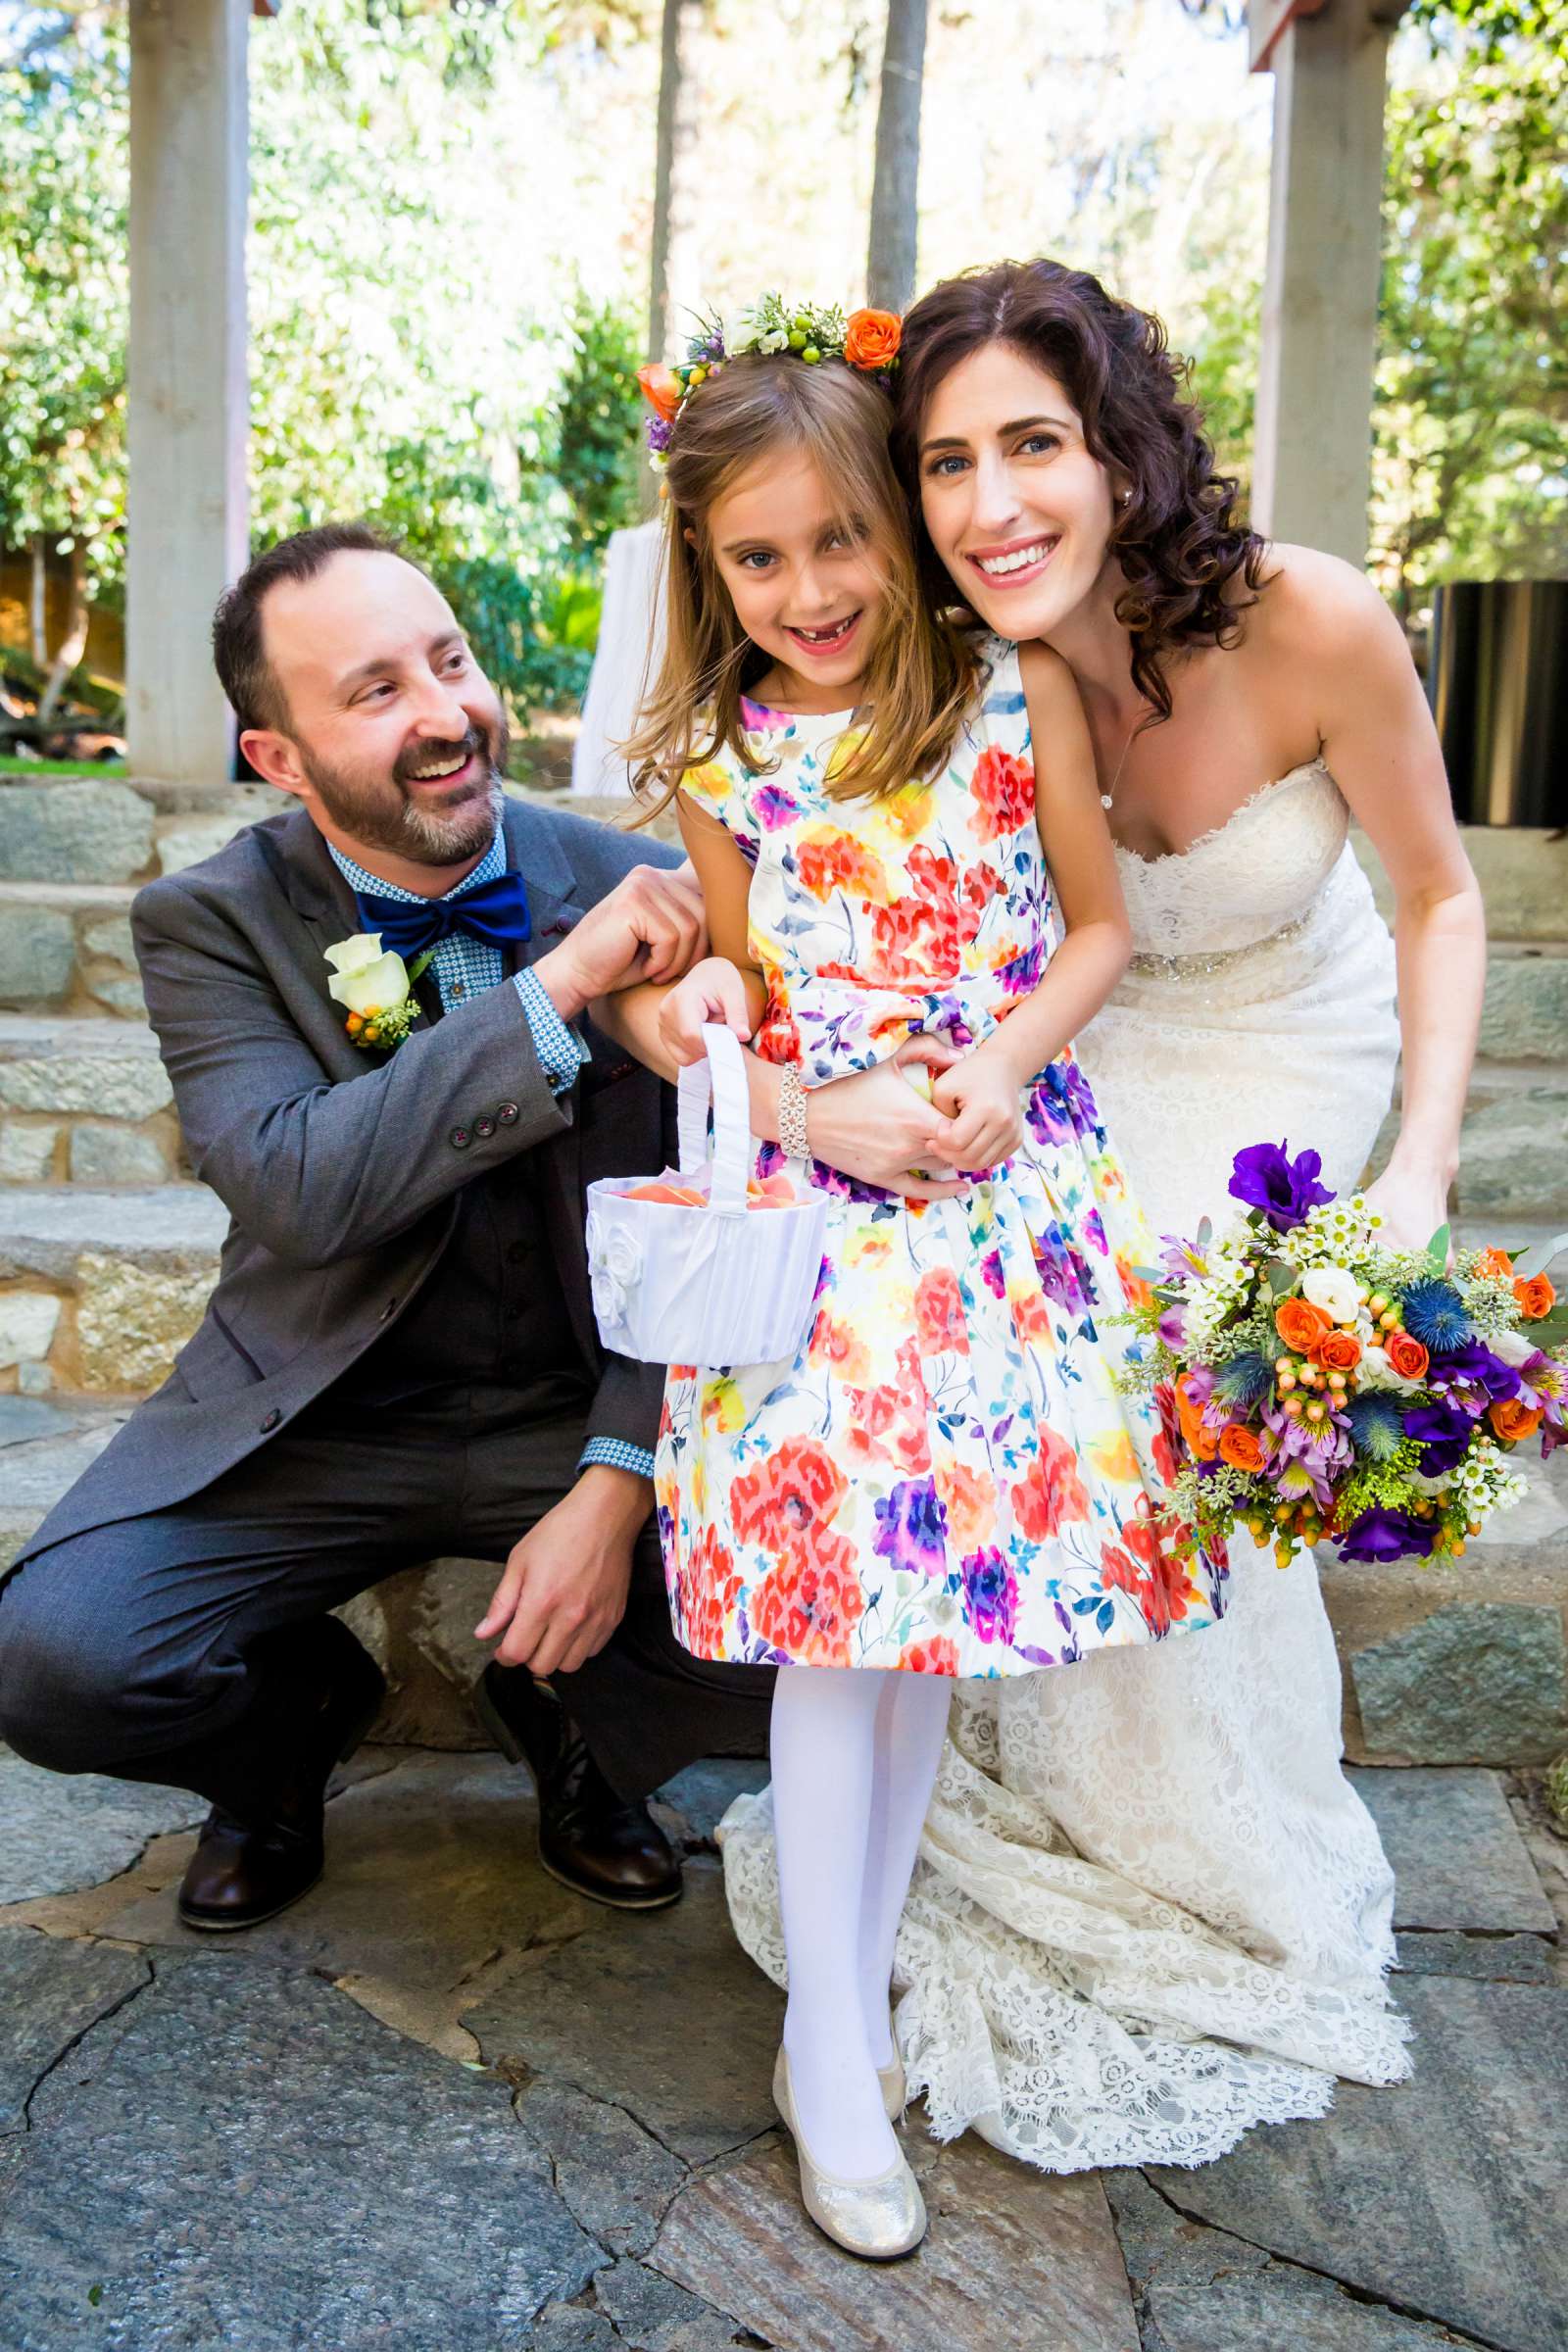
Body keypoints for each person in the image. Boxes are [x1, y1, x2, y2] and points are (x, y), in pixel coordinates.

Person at [722, 259, 1487, 2174]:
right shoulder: (965, 665)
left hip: (1281, 1051)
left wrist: (1417, 1170)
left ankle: (1205, 1840)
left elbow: (1436, 899)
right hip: (1074, 1049)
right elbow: (782, 861)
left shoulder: (1311, 620)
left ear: (1120, 447)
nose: (992, 507)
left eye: (1034, 446)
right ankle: (998, 1753)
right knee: (1029, 1358)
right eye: (948, 462)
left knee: (1176, 1355)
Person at [615, 298, 1226, 2257]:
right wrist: (793, 1086)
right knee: (835, 1631)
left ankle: (850, 1981)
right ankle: (823, 2048)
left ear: (897, 521)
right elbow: (723, 1008)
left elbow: (1099, 929)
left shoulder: (1004, 695)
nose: (806, 589)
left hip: (994, 1204)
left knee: (916, 1637)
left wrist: (1001, 1062)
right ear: (709, 571)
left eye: (836, 540)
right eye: (757, 557)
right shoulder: (726, 758)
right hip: (827, 1228)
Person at [0, 523, 783, 1934]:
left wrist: (617, 1477)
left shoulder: (636, 881)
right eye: (376, 693)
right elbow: (298, 1185)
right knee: (53, 1663)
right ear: (280, 761)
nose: (446, 715)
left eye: (450, 661)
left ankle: (576, 1723)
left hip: (571, 1401)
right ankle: (289, 1735)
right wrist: (558, 994)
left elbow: (710, 1221)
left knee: (829, 1619)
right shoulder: (210, 923)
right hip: (322, 1412)